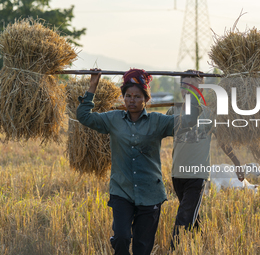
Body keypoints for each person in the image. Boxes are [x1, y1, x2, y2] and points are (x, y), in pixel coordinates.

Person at [76, 68, 202, 255]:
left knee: (142, 248)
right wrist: (93, 86)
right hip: (121, 190)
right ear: (123, 98)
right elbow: (84, 116)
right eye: (128, 96)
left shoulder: (158, 121)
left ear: (146, 99)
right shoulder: (113, 119)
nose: (131, 100)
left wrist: (193, 89)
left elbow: (189, 119)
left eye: (136, 96)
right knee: (121, 237)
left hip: (150, 193)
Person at [166, 70, 244, 250]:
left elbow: (224, 142)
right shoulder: (174, 110)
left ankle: (172, 250)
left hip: (198, 175)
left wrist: (237, 164)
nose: (188, 91)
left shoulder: (209, 113)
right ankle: (204, 246)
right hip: (177, 174)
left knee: (184, 217)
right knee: (192, 215)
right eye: (185, 86)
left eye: (193, 87)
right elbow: (157, 130)